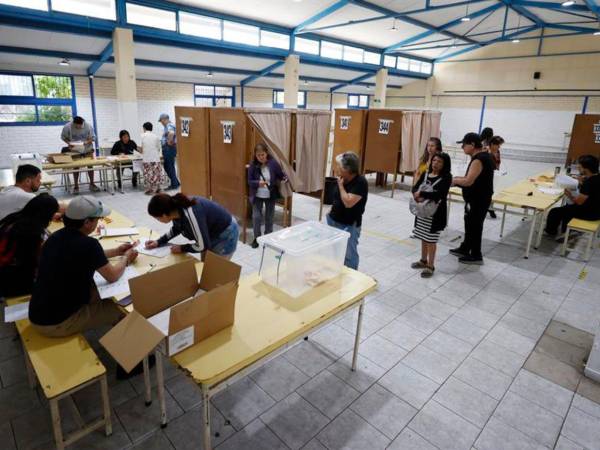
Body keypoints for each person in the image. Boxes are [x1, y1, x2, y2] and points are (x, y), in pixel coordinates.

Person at [28, 196, 138, 337]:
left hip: (39, 311)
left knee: (98, 290)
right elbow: (113, 275)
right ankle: (131, 352)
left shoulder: (55, 237)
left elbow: (88, 255)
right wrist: (125, 258)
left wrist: (116, 251)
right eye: (97, 220)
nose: (98, 223)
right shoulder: (89, 244)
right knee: (123, 309)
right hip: (56, 323)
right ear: (87, 222)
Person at [145, 193, 239, 260]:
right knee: (205, 267)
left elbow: (202, 246)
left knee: (215, 272)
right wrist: (158, 242)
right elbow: (177, 228)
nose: (158, 221)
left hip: (226, 233)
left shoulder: (191, 213)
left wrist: (182, 248)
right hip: (211, 232)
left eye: (157, 218)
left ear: (164, 215)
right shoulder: (175, 209)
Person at [0, 194, 59, 297]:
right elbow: (37, 262)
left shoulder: (15, 218)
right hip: (11, 281)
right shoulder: (31, 233)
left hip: (6, 271)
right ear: (46, 215)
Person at [451, 132, 495, 265]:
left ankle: (476, 255)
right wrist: (457, 179)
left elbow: (469, 181)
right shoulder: (481, 156)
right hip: (476, 199)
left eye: (464, 144)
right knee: (469, 223)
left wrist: (454, 181)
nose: (462, 147)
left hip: (478, 200)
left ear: (472, 144)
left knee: (475, 226)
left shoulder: (479, 159)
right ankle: (466, 247)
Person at [411, 152, 452, 278]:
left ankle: (430, 265)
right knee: (423, 236)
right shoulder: (425, 174)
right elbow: (415, 187)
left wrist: (422, 194)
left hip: (435, 214)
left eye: (439, 162)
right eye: (434, 160)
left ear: (445, 164)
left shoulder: (446, 177)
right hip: (423, 211)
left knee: (431, 240)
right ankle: (423, 260)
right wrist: (416, 194)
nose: (436, 163)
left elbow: (440, 195)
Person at [326, 152, 368, 270]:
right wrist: (330, 212)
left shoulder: (360, 182)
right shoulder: (342, 178)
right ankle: (338, 274)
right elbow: (336, 198)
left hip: (349, 225)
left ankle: (352, 281)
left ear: (347, 169)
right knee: (336, 252)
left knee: (349, 255)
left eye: (339, 166)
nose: (337, 168)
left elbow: (348, 202)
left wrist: (340, 186)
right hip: (334, 220)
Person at [545, 154, 600, 237]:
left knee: (554, 212)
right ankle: (566, 231)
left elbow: (579, 202)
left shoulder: (589, 183)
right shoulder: (596, 178)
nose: (577, 167)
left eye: (580, 166)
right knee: (567, 208)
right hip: (597, 210)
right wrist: (582, 182)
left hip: (590, 214)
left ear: (586, 169)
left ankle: (551, 232)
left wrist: (569, 194)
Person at [247, 143, 286, 249]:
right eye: (258, 155)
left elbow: (281, 175)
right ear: (255, 155)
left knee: (269, 217)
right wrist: (258, 183)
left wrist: (285, 179)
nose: (261, 157)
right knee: (256, 217)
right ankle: (257, 238)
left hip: (270, 194)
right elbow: (249, 181)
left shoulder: (273, 163)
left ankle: (268, 237)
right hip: (257, 195)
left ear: (266, 153)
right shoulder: (252, 165)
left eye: (262, 155)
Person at [60, 116, 99, 193]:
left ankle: (92, 183)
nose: (79, 127)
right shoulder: (67, 127)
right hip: (75, 150)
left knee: (90, 166)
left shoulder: (88, 126)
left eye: (80, 125)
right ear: (74, 123)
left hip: (87, 149)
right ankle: (76, 186)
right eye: (77, 126)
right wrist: (69, 143)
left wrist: (86, 142)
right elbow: (63, 137)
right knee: (76, 167)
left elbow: (93, 138)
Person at [139, 122, 163, 195]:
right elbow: (158, 148)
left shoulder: (142, 136)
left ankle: (151, 189)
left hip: (147, 158)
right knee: (156, 173)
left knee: (149, 174)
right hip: (155, 158)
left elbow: (141, 148)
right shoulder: (156, 136)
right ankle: (158, 188)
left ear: (144, 128)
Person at [158, 113, 180, 190]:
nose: (161, 122)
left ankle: (174, 184)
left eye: (161, 121)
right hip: (170, 148)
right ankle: (176, 182)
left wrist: (168, 142)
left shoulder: (169, 125)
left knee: (168, 166)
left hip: (168, 148)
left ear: (165, 119)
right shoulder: (169, 126)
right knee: (170, 166)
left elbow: (171, 133)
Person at [485, 135, 504, 219]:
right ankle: (489, 208)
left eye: (500, 145)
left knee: (491, 192)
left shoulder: (497, 151)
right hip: (484, 175)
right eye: (498, 145)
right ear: (492, 144)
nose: (499, 147)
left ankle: (489, 207)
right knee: (487, 192)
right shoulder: (486, 151)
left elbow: (498, 162)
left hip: (493, 174)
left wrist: (498, 170)